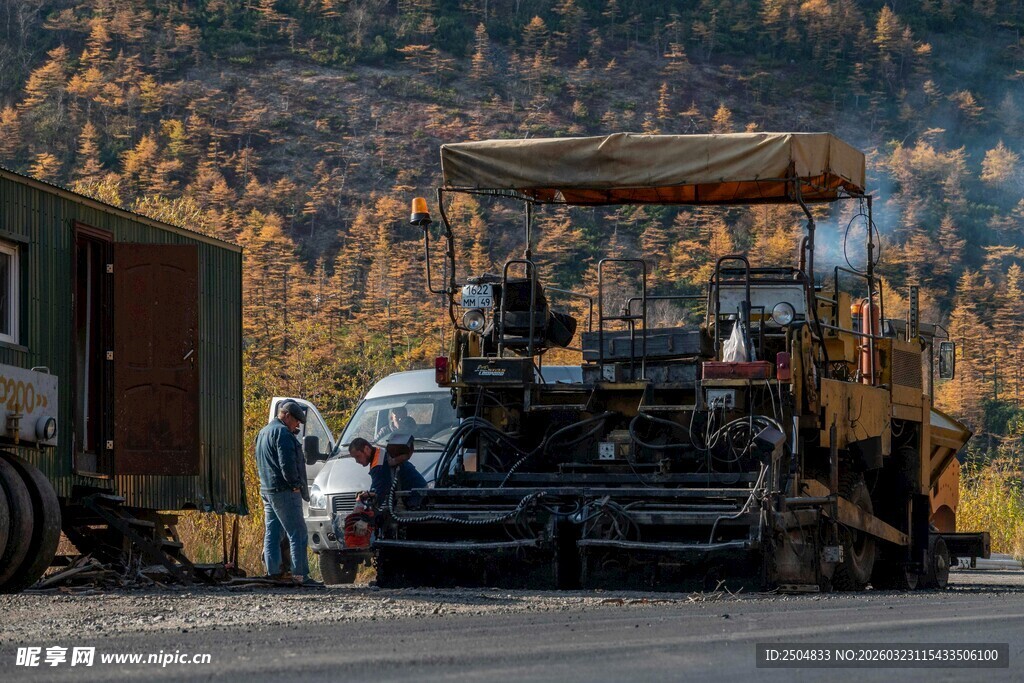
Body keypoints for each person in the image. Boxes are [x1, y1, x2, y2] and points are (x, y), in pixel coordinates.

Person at [256, 400, 316, 585]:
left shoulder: (263, 432)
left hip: (267, 489)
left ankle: (273, 573)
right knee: (297, 532)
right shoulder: (283, 433)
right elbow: (287, 464)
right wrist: (295, 484)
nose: (297, 425)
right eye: (296, 420)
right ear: (287, 415)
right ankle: (301, 575)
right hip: (284, 490)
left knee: (272, 532)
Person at [348, 437, 427, 508]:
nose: (357, 461)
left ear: (366, 449)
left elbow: (378, 494)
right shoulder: (380, 454)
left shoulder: (379, 464)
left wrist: (363, 509)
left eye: (358, 456)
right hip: (418, 493)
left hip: (417, 498)